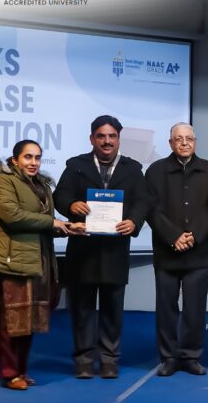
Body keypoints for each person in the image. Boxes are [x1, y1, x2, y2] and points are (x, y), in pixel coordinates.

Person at [53, 115, 150, 380]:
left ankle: (109, 360)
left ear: (119, 139)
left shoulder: (133, 168)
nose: (107, 141)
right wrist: (71, 205)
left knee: (112, 309)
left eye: (112, 136)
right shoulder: (76, 165)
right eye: (101, 136)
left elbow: (143, 201)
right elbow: (60, 195)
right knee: (82, 309)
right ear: (92, 139)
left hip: (115, 250)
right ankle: (84, 361)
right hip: (83, 249)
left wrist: (134, 221)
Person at [0, 140, 79, 390]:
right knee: (10, 322)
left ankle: (21, 370)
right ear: (15, 160)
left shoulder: (41, 185)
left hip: (39, 259)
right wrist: (53, 223)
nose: (34, 162)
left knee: (27, 321)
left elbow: (46, 222)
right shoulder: (3, 181)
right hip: (13, 260)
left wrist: (67, 227)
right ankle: (9, 374)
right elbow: (13, 216)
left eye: (37, 157)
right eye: (28, 157)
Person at [145, 123, 208, 377]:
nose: (184, 143)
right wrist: (173, 236)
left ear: (195, 141)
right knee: (166, 308)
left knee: (195, 308)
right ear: (171, 143)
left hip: (199, 252)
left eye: (189, 138)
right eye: (179, 139)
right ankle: (168, 357)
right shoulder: (155, 171)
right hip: (167, 251)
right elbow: (151, 208)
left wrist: (194, 235)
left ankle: (191, 356)